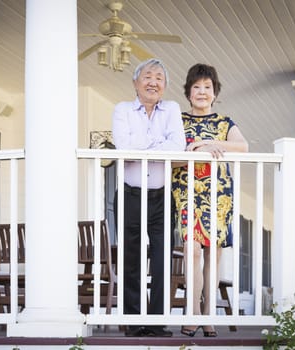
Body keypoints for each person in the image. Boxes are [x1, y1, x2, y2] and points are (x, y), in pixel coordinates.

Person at [171, 63, 248, 337]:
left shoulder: (225, 123)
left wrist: (209, 144)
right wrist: (198, 146)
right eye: (196, 87)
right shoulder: (177, 120)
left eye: (207, 87)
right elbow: (170, 150)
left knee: (212, 256)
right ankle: (191, 312)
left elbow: (243, 146)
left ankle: (208, 316)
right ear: (188, 92)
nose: (202, 92)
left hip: (218, 194)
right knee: (191, 250)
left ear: (215, 92)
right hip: (187, 191)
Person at [112, 58, 186, 337]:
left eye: (159, 78)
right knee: (130, 259)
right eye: (147, 77)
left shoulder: (173, 109)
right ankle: (133, 323)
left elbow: (177, 148)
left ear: (164, 86)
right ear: (135, 83)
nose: (153, 82)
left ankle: (155, 323)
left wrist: (142, 142)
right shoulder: (122, 110)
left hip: (160, 197)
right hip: (130, 195)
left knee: (161, 259)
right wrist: (158, 144)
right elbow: (124, 148)